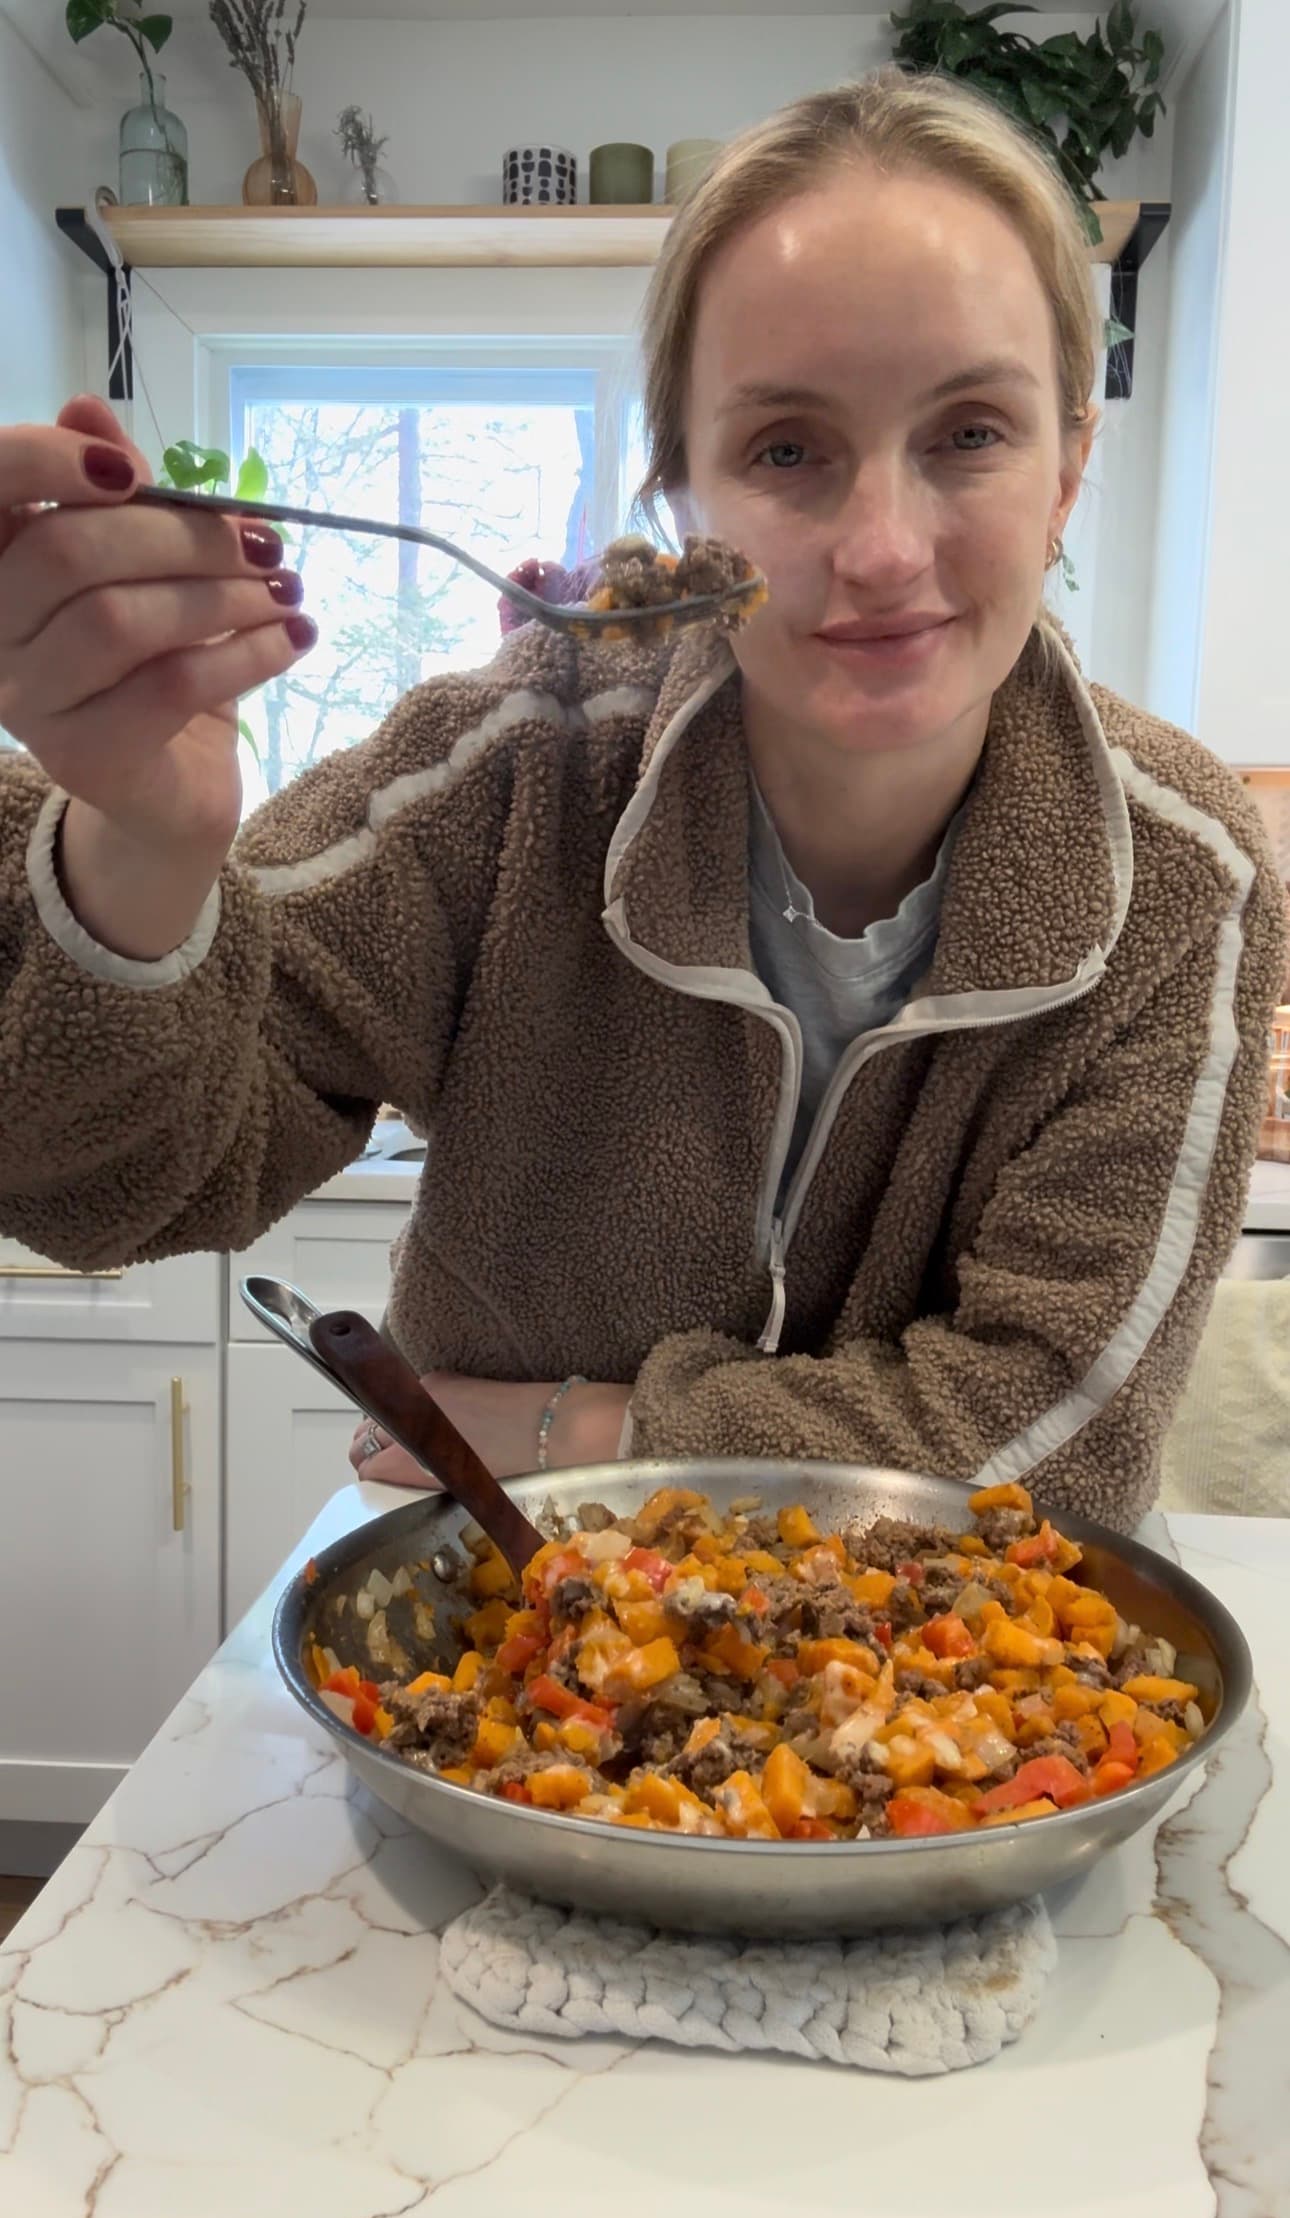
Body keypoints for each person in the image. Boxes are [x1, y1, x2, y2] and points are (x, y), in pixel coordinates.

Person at [0, 72, 1282, 1536]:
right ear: (681, 495)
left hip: (961, 1658)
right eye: (785, 449)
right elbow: (121, 1182)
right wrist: (140, 845)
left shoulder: (1182, 875)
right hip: (509, 1618)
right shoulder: (514, 770)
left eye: (970, 433)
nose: (880, 549)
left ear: (1067, 470)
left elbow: (1060, 1439)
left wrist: (584, 1430)